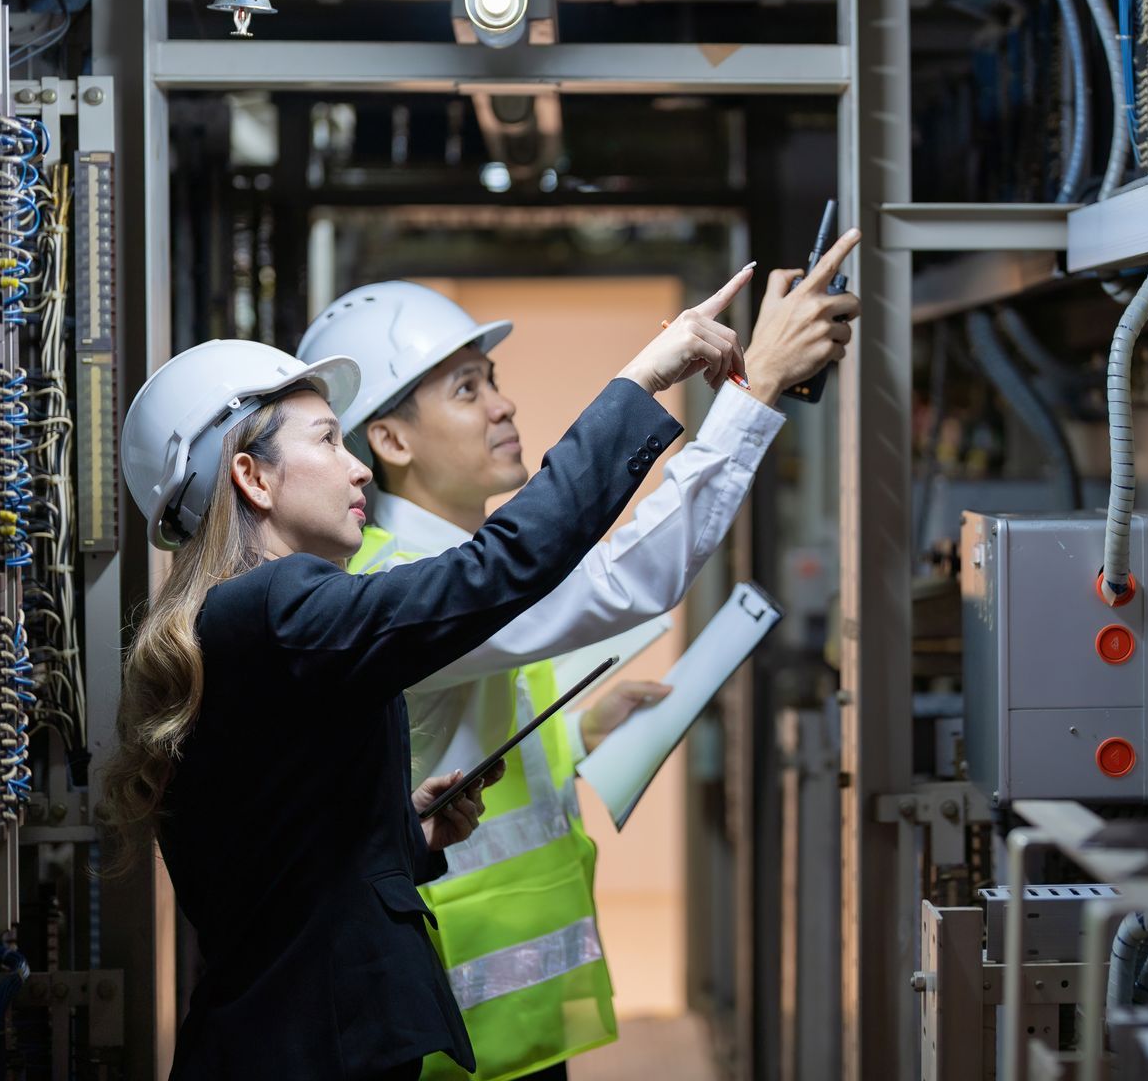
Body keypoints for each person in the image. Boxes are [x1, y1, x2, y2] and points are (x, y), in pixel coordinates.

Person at [99, 277, 748, 1081]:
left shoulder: (240, 623)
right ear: (253, 478)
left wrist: (404, 832)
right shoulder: (278, 605)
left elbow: (279, 867)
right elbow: (498, 569)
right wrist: (645, 379)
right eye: (331, 441)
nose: (358, 468)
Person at [294, 233, 860, 1081]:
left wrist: (581, 729)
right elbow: (616, 577)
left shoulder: (437, 574)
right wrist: (757, 388)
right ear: (392, 441)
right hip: (439, 1037)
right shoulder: (395, 590)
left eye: (493, 381)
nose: (502, 406)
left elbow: (456, 740)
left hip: (498, 1027)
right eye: (465, 388)